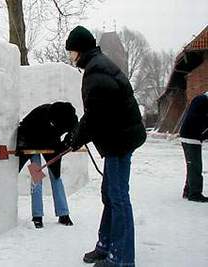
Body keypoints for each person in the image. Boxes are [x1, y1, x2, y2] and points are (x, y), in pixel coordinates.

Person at [64, 26, 146, 267]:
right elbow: (95, 115)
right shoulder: (97, 66)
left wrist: (74, 139)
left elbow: (94, 118)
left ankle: (121, 258)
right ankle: (106, 245)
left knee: (118, 197)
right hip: (118, 138)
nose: (70, 57)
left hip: (120, 141)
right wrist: (75, 135)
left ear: (80, 50)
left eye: (71, 52)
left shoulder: (96, 74)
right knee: (109, 195)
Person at [17, 102, 78, 229]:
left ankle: (63, 214)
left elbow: (74, 133)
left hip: (51, 144)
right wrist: (22, 148)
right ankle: (37, 216)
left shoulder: (70, 118)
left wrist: (66, 144)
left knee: (56, 177)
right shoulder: (39, 115)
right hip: (32, 144)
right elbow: (22, 129)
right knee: (37, 177)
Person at [180, 92, 208, 202]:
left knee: (192, 166)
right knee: (195, 166)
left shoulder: (201, 100)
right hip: (190, 137)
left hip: (192, 136)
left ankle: (188, 191)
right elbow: (195, 118)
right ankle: (195, 194)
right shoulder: (201, 100)